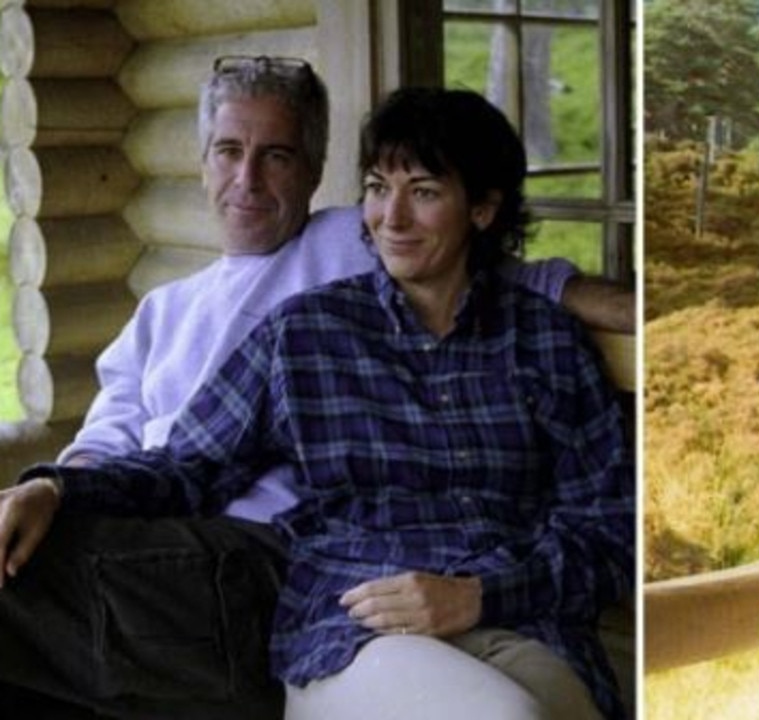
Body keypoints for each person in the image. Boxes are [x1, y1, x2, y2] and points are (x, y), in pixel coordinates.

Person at [0, 57, 630, 719]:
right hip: (357, 622)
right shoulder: (305, 333)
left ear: (482, 208)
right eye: (377, 187)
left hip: (523, 618)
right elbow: (187, 466)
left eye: (423, 191)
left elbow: (607, 530)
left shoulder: (546, 344)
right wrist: (57, 485)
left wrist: (481, 594)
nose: (392, 217)